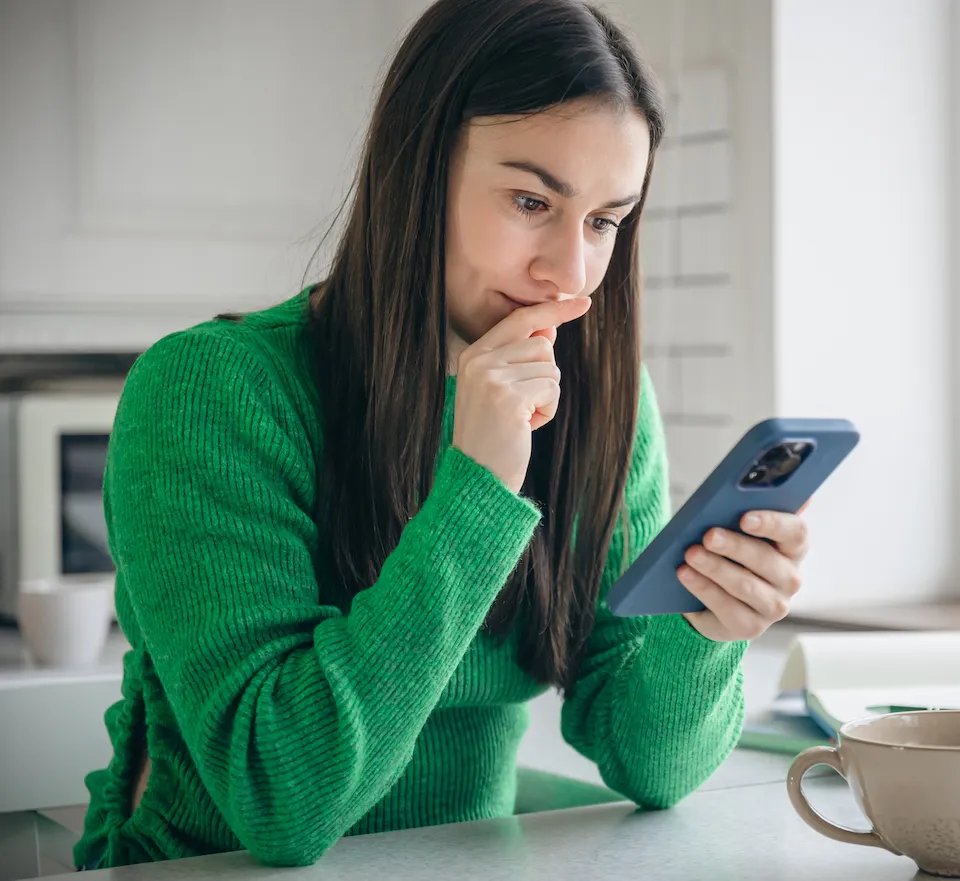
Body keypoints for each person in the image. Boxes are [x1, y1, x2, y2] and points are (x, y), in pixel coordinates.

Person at [73, 0, 809, 869]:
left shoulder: (602, 398)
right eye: (532, 199)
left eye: (606, 220)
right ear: (416, 170)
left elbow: (652, 766)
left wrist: (705, 629)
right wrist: (479, 487)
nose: (569, 271)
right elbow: (280, 798)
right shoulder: (211, 391)